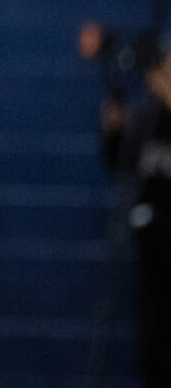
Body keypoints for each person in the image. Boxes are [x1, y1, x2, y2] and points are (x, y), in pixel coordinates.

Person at [100, 48, 171, 388]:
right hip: (153, 244)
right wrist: (113, 130)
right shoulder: (146, 118)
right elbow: (120, 162)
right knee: (152, 338)